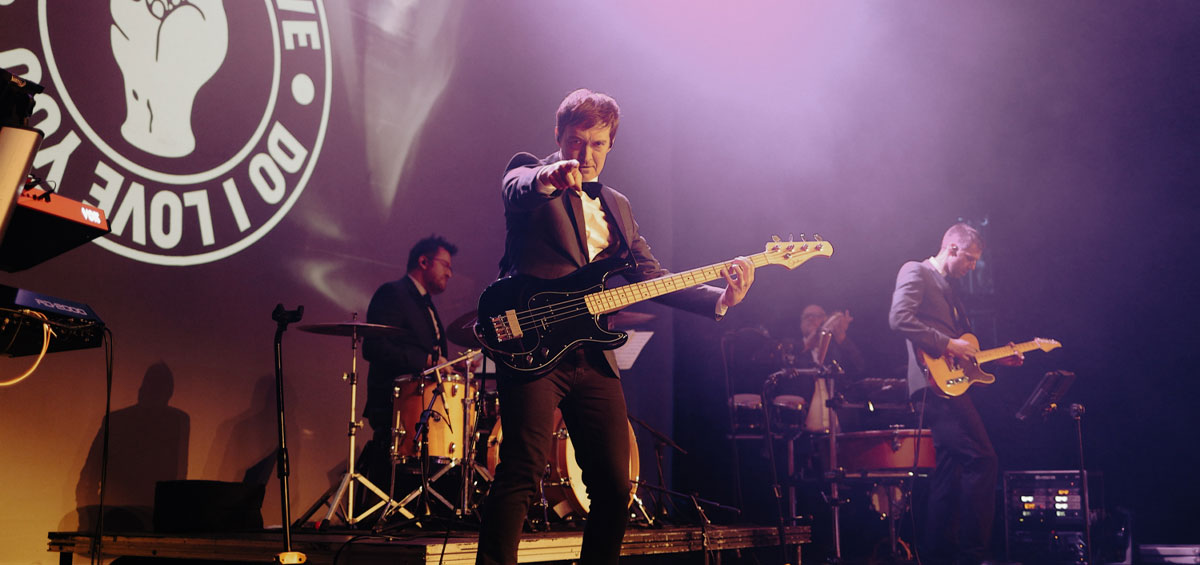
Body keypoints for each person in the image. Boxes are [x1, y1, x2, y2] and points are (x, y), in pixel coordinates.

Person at [476, 88, 756, 565]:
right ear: (558, 136)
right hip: (534, 344)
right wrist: (548, 176)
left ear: (610, 145)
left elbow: (652, 278)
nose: (585, 155)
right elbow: (517, 187)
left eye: (597, 144)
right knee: (521, 472)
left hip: (592, 356)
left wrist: (721, 298)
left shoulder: (617, 206)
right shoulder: (529, 172)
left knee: (614, 485)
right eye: (575, 141)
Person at [888, 223, 1020, 565]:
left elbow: (965, 351)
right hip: (933, 386)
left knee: (950, 471)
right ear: (952, 248)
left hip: (949, 384)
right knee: (983, 459)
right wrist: (947, 343)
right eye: (970, 259)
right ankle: (972, 555)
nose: (972, 267)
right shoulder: (916, 271)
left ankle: (937, 555)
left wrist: (997, 358)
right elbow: (899, 318)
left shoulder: (950, 291)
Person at [360, 236, 457, 494]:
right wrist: (427, 361)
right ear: (423, 262)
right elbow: (374, 347)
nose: (450, 273)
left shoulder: (425, 302)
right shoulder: (393, 294)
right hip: (396, 406)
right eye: (445, 265)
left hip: (425, 408)